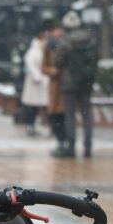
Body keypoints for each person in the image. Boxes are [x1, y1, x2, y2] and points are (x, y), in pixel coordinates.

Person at [52, 11, 98, 158]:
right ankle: (88, 146)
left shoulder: (65, 41)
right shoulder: (90, 39)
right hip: (87, 82)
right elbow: (95, 59)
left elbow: (57, 62)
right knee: (86, 116)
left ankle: (71, 147)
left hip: (69, 83)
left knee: (70, 116)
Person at [42, 22, 67, 152]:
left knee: (64, 116)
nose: (58, 33)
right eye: (56, 30)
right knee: (55, 116)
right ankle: (60, 142)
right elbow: (43, 66)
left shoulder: (67, 44)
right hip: (54, 87)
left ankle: (64, 143)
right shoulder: (48, 46)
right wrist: (50, 70)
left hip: (65, 86)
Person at [20, 27, 49, 136]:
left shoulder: (44, 50)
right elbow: (31, 65)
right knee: (32, 108)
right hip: (35, 84)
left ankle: (39, 126)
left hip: (42, 84)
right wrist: (37, 77)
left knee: (42, 106)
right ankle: (30, 126)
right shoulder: (33, 51)